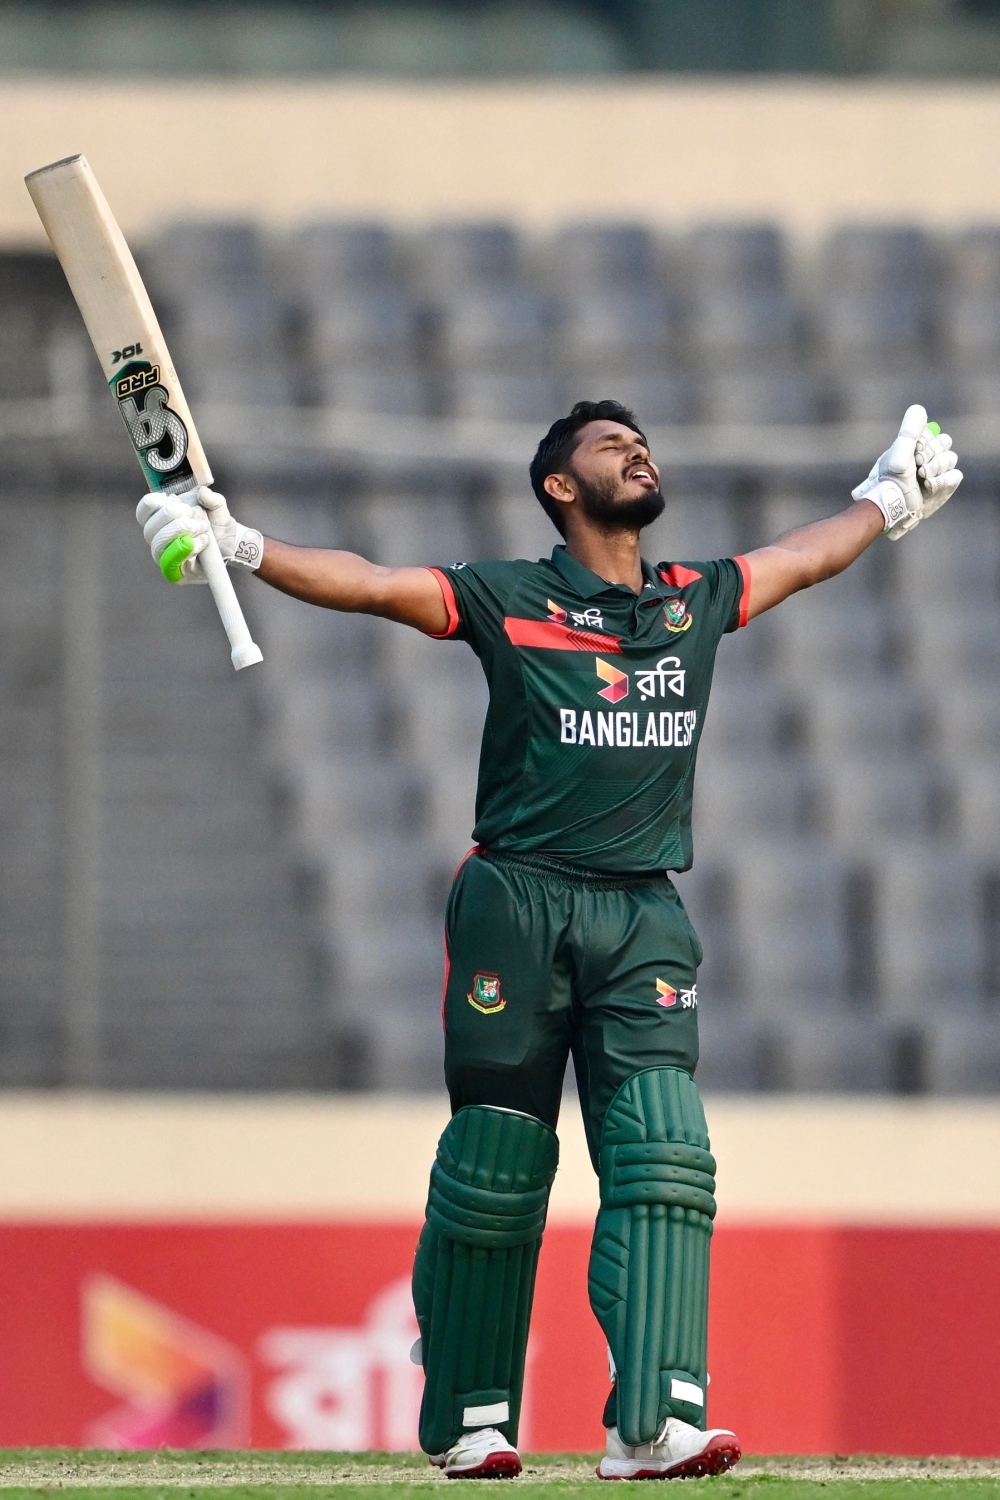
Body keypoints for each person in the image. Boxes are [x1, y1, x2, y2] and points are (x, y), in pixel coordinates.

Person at [137, 399, 961, 1480]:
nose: (637, 450)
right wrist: (237, 548)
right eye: (609, 445)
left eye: (641, 439)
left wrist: (886, 499)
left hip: (642, 914)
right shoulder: (511, 595)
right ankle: (474, 1414)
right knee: (498, 1165)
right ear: (561, 489)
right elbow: (377, 584)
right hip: (517, 906)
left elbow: (799, 560)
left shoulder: (689, 599)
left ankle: (655, 1420)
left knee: (667, 1159)